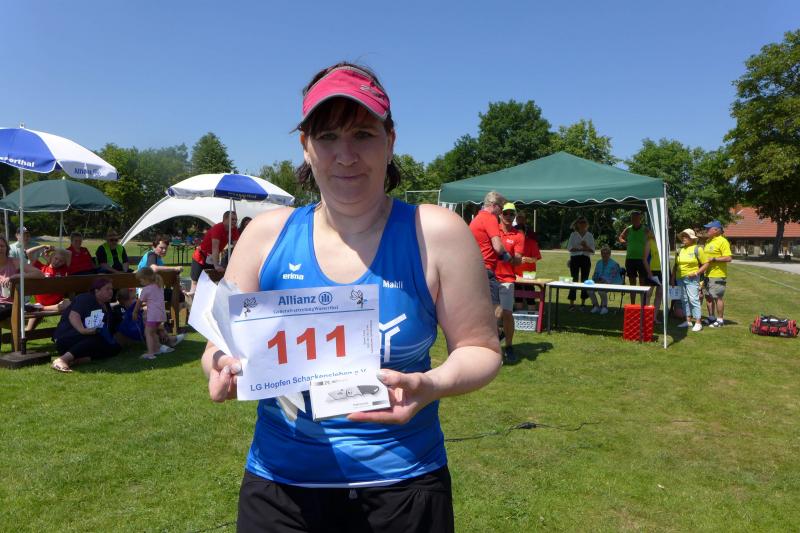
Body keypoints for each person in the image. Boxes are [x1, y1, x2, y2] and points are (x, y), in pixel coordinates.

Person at [201, 62, 501, 532]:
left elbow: (480, 349)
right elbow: (218, 345)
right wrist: (221, 367)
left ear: (390, 140)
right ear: (305, 146)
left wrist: (432, 384)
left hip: (402, 485)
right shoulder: (264, 236)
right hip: (280, 489)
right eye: (327, 137)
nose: (345, 156)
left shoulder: (437, 233)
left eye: (363, 134)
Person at [51, 277, 120, 372]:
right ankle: (62, 360)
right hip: (66, 337)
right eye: (107, 289)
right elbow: (73, 316)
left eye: (111, 289)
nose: (111, 292)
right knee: (97, 338)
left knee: (115, 348)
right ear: (97, 291)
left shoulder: (106, 305)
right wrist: (83, 330)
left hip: (85, 338)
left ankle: (78, 360)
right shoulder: (85, 298)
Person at [469, 190, 510, 325]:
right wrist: (506, 255)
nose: (502, 212)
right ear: (494, 205)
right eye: (501, 208)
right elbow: (497, 247)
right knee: (497, 309)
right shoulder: (490, 218)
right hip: (486, 269)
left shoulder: (476, 219)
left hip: (474, 269)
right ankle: (493, 334)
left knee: (479, 308)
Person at [495, 202, 524, 363]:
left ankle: (509, 346)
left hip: (507, 278)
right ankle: (493, 345)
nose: (508, 216)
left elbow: (518, 261)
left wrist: (509, 257)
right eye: (505, 213)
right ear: (500, 214)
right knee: (492, 314)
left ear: (514, 216)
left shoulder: (518, 235)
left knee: (506, 313)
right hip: (490, 277)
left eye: (511, 214)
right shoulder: (493, 231)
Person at [188, 210, 239, 295]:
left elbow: (237, 247)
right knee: (195, 281)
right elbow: (215, 247)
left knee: (211, 281)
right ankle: (192, 298)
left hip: (212, 258)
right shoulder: (218, 228)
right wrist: (216, 265)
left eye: (235, 220)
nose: (234, 221)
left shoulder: (234, 230)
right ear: (225, 219)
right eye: (232, 219)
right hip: (200, 257)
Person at [0, 236, 45, 322]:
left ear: (7, 248)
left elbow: (40, 274)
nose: (0, 248)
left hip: (13, 304)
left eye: (2, 246)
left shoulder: (15, 262)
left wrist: (16, 276)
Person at [671, 229, 708, 332]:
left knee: (693, 299)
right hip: (679, 278)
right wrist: (672, 278)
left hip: (692, 278)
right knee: (684, 299)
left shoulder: (697, 249)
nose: (684, 238)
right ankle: (688, 321)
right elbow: (676, 265)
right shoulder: (679, 250)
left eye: (686, 236)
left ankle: (698, 322)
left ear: (692, 238)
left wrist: (696, 273)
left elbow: (706, 263)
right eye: (683, 236)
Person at [27, 248, 71, 331]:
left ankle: (41, 308)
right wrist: (43, 246)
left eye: (61, 261)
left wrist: (54, 248)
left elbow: (69, 253)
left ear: (64, 263)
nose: (57, 262)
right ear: (51, 257)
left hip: (55, 304)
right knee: (29, 330)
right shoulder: (41, 267)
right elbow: (28, 252)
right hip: (41, 302)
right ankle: (38, 308)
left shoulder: (63, 269)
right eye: (56, 258)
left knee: (68, 303)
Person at [700, 220, 732, 328]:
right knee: (708, 297)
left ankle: (720, 320)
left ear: (716, 230)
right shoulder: (708, 241)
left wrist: (714, 259)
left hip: (717, 274)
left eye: (709, 228)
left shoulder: (723, 241)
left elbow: (728, 258)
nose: (707, 230)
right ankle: (711, 318)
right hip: (707, 274)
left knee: (717, 297)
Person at [133, 266, 169, 360]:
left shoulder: (146, 289)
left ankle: (150, 353)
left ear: (146, 279)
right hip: (161, 315)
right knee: (153, 333)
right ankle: (156, 349)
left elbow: (139, 302)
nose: (140, 283)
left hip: (153, 316)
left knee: (148, 333)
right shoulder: (159, 286)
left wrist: (135, 312)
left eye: (141, 280)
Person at [618, 210, 648, 304]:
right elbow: (620, 237)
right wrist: (623, 242)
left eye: (636, 218)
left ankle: (643, 304)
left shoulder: (645, 229)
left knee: (642, 283)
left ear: (640, 219)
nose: (634, 220)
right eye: (632, 218)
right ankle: (633, 304)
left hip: (642, 259)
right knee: (632, 283)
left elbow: (652, 238)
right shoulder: (628, 229)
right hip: (630, 259)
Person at [566, 216, 595, 310]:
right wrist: (581, 249)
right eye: (581, 222)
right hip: (575, 259)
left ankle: (583, 304)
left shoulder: (590, 235)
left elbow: (592, 251)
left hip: (585, 259)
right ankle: (571, 304)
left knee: (585, 280)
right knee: (573, 280)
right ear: (577, 224)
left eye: (584, 222)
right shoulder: (573, 235)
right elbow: (569, 248)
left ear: (587, 224)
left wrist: (585, 246)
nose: (583, 224)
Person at [589, 245, 623, 314]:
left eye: (606, 253)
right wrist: (595, 280)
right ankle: (596, 306)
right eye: (603, 253)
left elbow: (612, 277)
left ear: (610, 254)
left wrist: (603, 281)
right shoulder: (599, 262)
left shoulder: (614, 264)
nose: (604, 255)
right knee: (589, 290)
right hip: (599, 282)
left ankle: (604, 307)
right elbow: (595, 274)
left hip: (613, 283)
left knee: (601, 290)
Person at [642, 230, 664, 323]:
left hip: (662, 271)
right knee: (648, 294)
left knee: (659, 294)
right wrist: (650, 273)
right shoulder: (649, 242)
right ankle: (646, 317)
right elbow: (644, 259)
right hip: (652, 271)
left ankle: (654, 317)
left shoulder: (663, 243)